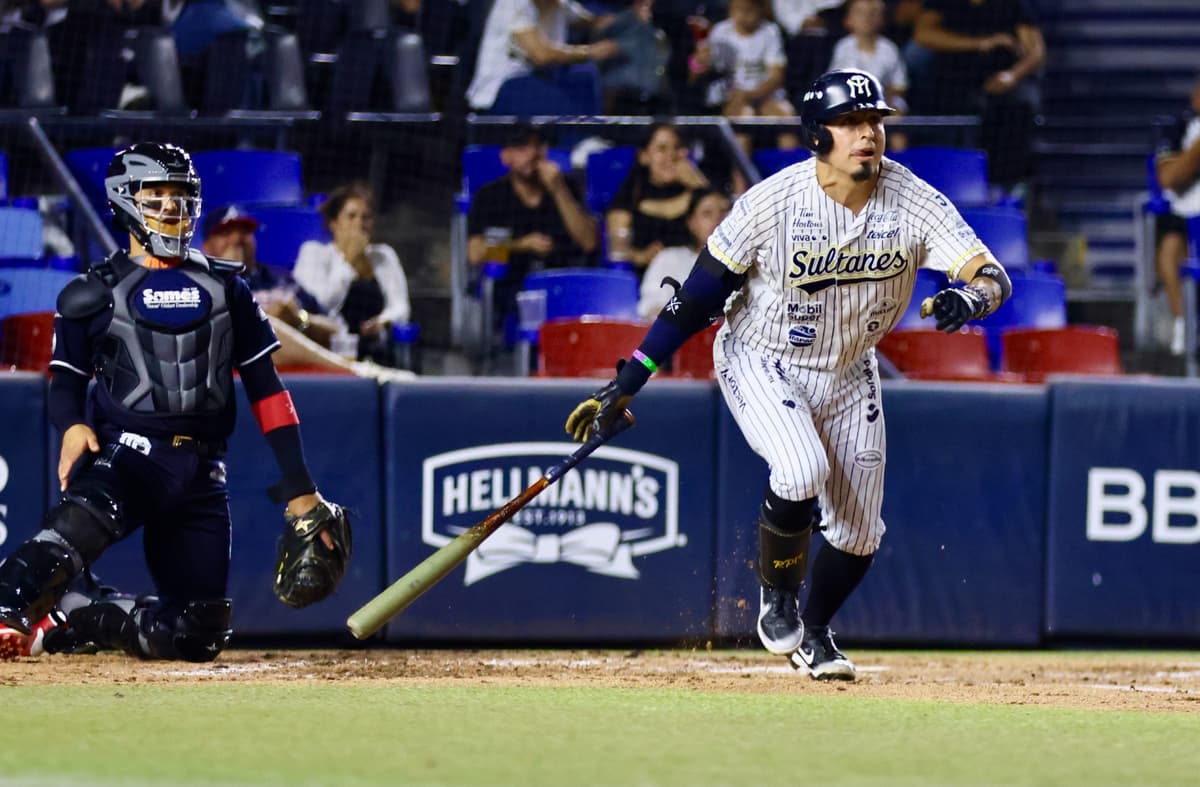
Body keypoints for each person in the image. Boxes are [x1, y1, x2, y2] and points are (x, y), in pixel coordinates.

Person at [564, 69, 1012, 680]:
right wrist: (629, 378)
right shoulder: (771, 204)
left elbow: (992, 276)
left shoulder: (914, 200)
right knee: (801, 468)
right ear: (817, 136)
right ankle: (778, 599)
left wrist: (972, 299)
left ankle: (816, 632)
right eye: (851, 122)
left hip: (851, 370)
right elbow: (694, 299)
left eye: (875, 121)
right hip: (762, 355)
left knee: (859, 534)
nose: (868, 133)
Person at [0, 142, 352, 662]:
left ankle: (78, 615)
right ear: (125, 200)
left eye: (181, 194)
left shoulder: (229, 287)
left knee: (197, 633)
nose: (170, 205)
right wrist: (73, 425)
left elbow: (268, 391)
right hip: (128, 457)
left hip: (203, 473)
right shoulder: (91, 293)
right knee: (58, 546)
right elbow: (66, 381)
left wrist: (301, 492)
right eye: (156, 194)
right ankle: (9, 610)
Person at [201, 205, 413, 378]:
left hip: (303, 378)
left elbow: (338, 330)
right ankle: (357, 373)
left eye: (245, 232)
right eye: (226, 232)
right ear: (206, 247)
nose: (237, 239)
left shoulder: (282, 281)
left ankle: (358, 375)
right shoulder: (199, 283)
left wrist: (301, 320)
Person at [467, 123, 598, 334]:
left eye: (536, 146)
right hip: (515, 284)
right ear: (506, 156)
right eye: (521, 148)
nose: (531, 154)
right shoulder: (490, 195)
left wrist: (558, 190)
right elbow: (475, 253)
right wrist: (521, 245)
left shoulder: (567, 186)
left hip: (564, 281)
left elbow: (589, 242)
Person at [913, 0, 1045, 193]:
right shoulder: (944, 5)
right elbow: (923, 34)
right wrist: (981, 43)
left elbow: (1036, 52)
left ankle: (1008, 187)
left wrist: (1012, 76)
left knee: (1021, 104)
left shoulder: (1013, 5)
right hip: (955, 79)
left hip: (1000, 81)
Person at [292, 183, 411, 366]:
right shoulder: (313, 253)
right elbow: (319, 305)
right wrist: (348, 261)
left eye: (366, 217)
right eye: (351, 216)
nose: (359, 224)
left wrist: (382, 321)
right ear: (333, 223)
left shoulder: (384, 256)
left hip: (376, 349)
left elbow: (401, 307)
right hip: (327, 350)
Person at [690, 0, 800, 190]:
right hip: (732, 98)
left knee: (786, 119)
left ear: (760, 10)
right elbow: (699, 73)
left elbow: (776, 75)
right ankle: (741, 190)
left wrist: (751, 94)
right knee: (744, 118)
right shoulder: (719, 33)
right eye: (737, 10)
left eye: (749, 10)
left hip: (764, 95)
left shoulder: (770, 32)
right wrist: (699, 62)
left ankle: (791, 187)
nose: (743, 16)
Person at [464, 0, 621, 114]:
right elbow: (541, 55)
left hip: (537, 87)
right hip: (501, 92)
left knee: (586, 76)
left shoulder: (559, 4)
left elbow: (593, 21)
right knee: (581, 83)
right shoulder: (513, 4)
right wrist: (589, 52)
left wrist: (631, 17)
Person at [606, 123, 710, 272]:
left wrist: (697, 182)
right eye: (662, 149)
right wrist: (642, 256)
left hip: (694, 271)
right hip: (648, 275)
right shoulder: (630, 193)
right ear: (644, 156)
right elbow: (618, 252)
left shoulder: (696, 192)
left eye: (676, 148)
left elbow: (723, 224)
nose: (671, 156)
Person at [1153, 77, 1200, 357]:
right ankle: (1185, 322)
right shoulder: (1177, 127)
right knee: (1170, 249)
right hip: (1186, 211)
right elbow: (1169, 178)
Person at [638, 187, 730, 319]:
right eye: (707, 213)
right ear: (691, 222)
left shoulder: (749, 264)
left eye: (724, 212)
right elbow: (651, 309)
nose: (717, 220)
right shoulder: (669, 259)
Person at [828, 0, 908, 149]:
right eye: (861, 13)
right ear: (849, 20)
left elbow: (899, 85)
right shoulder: (843, 48)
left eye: (873, 13)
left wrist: (883, 99)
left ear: (882, 19)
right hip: (851, 102)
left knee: (897, 114)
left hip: (884, 101)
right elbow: (836, 82)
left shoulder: (889, 49)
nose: (867, 18)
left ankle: (900, 158)